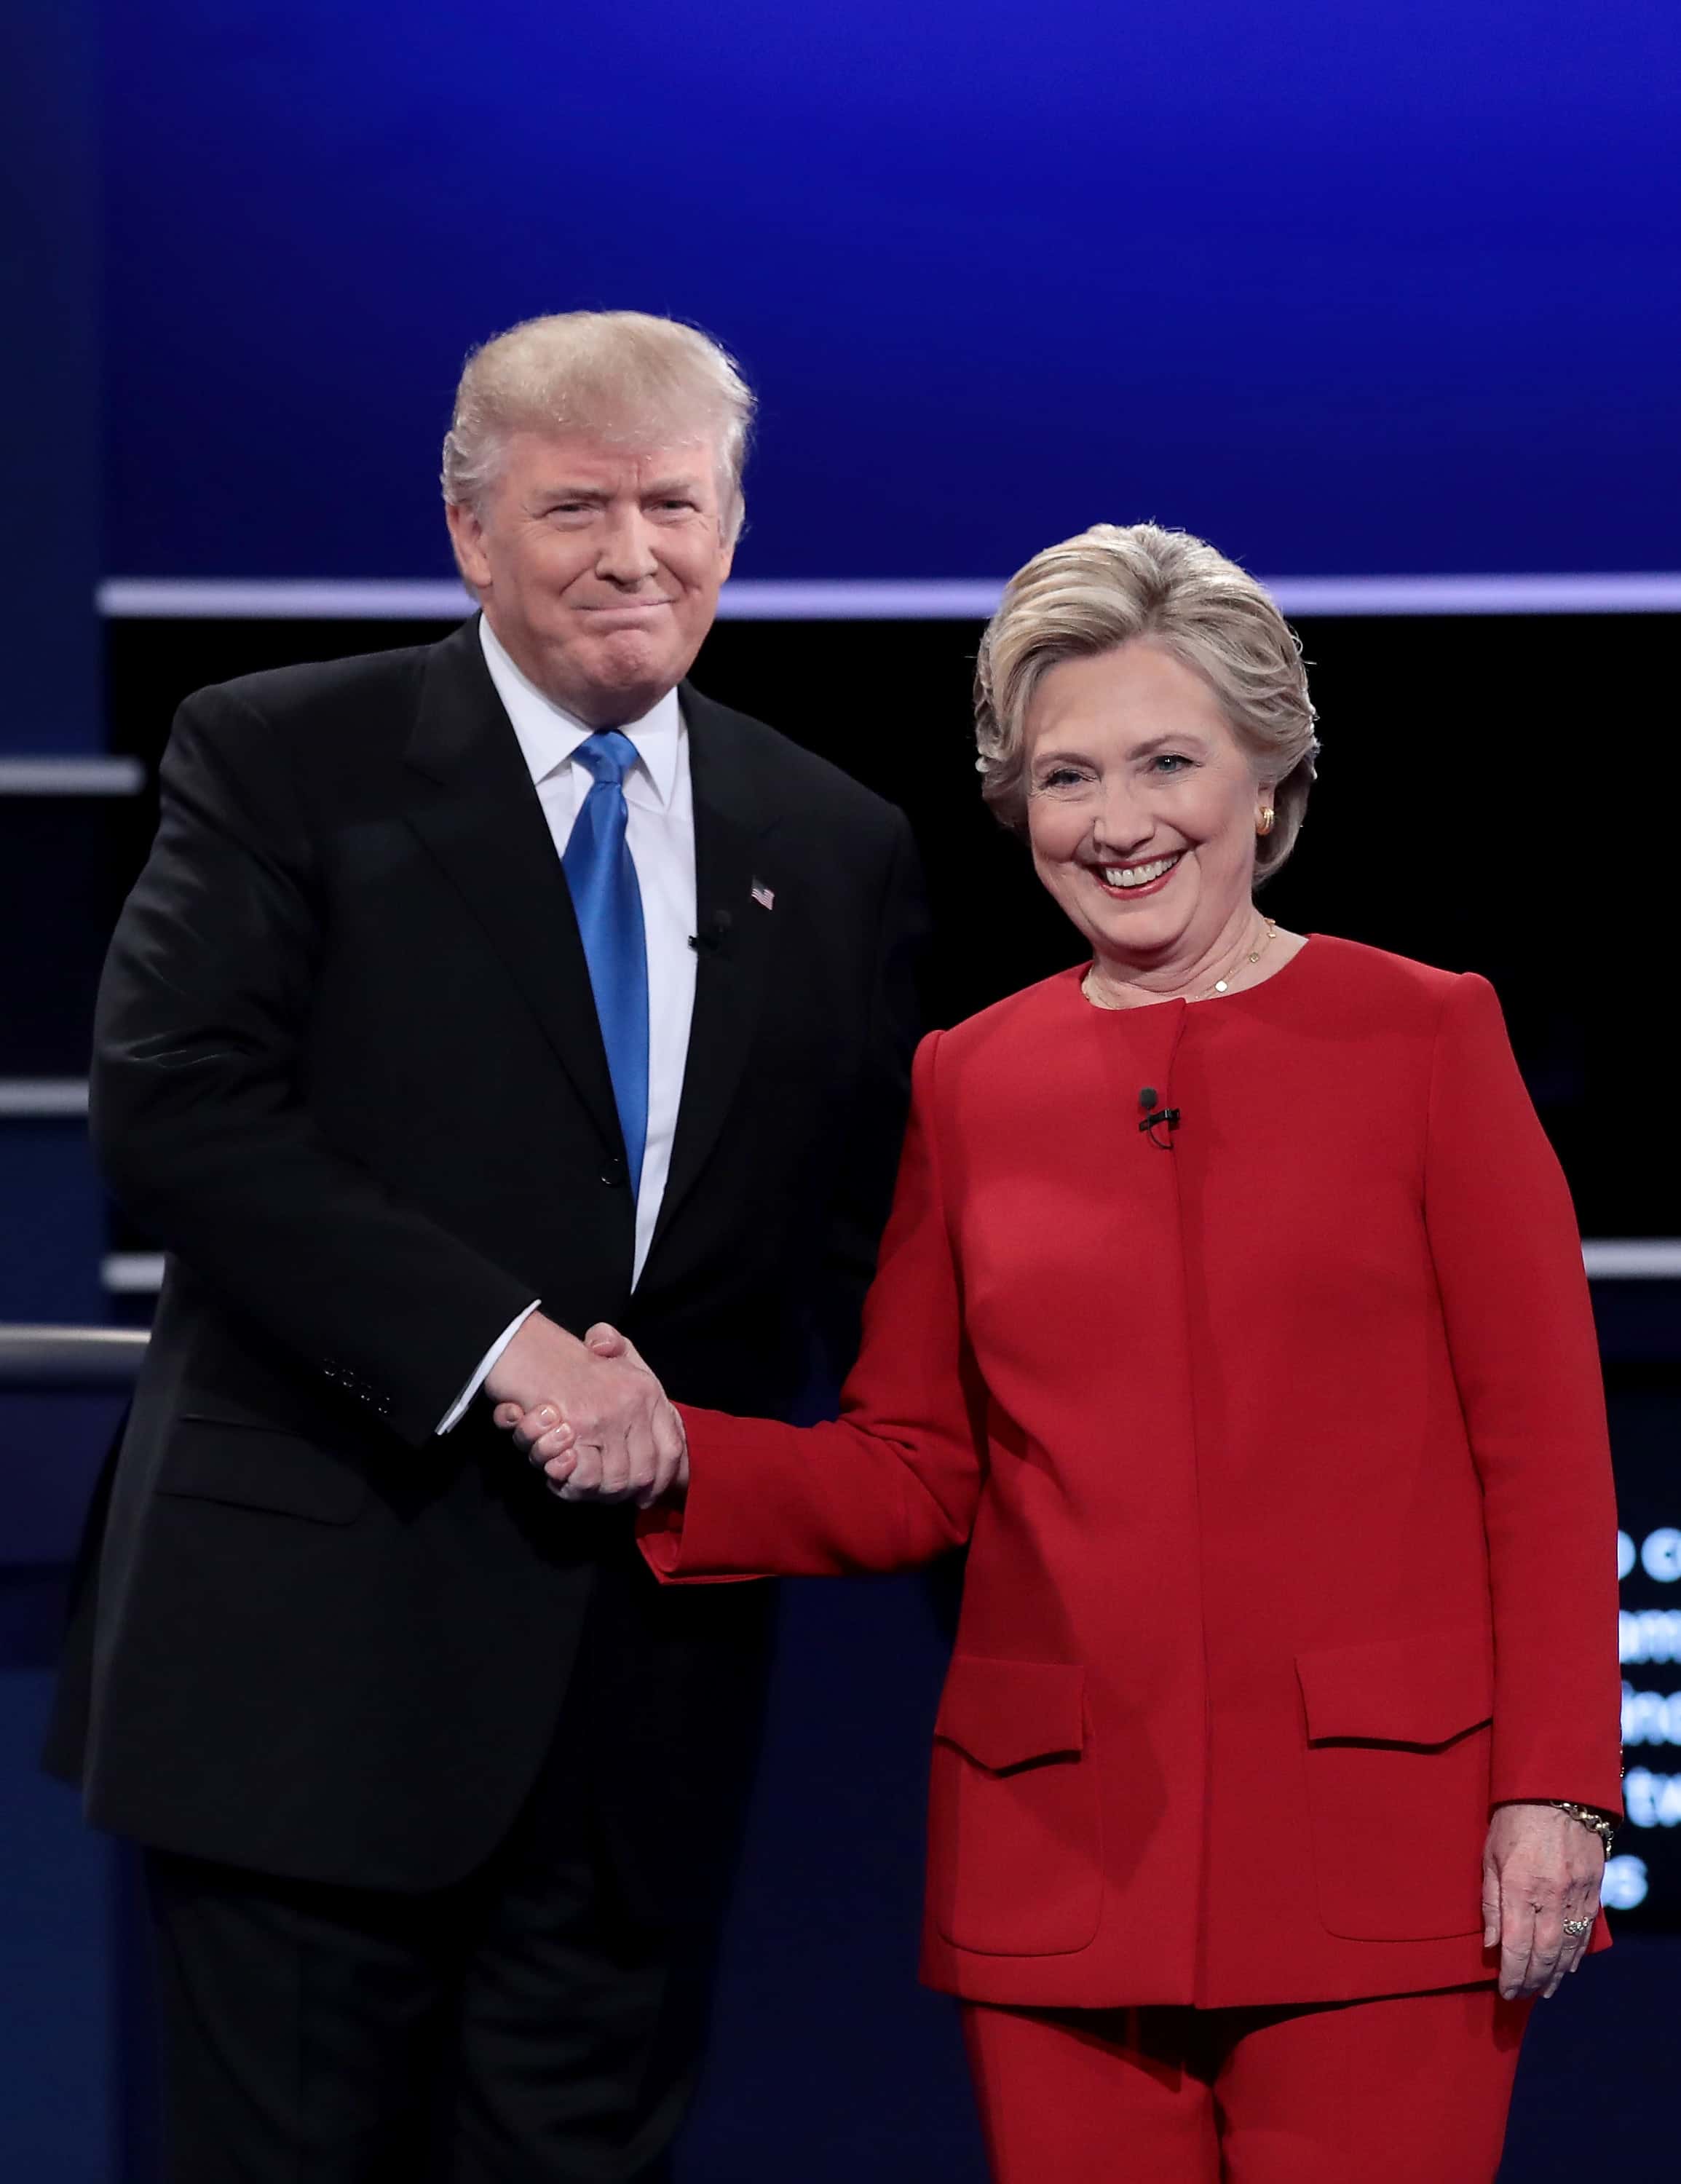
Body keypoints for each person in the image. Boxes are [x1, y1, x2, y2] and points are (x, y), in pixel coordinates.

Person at [502, 523, 1624, 2184]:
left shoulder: (1425, 1034)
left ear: (1268, 777)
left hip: (1385, 1849)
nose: (1116, 823)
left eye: (1168, 762)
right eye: (1065, 777)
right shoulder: (970, 1079)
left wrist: (1558, 1790)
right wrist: (682, 1455)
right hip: (1063, 1853)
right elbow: (915, 1466)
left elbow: (1543, 1457)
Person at [46, 310, 926, 2182]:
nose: (634, 553)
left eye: (674, 506)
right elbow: (179, 1107)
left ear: (733, 527)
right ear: (470, 532)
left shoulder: (833, 839)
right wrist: (505, 1346)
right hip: (309, 1666)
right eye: (576, 507)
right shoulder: (287, 754)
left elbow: (865, 1244)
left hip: (642, 1696)